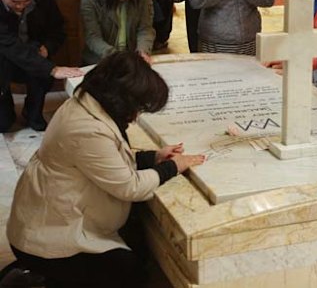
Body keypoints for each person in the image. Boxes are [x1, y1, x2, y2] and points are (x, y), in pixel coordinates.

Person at [6, 51, 206, 288]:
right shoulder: (86, 128)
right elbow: (130, 187)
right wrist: (173, 166)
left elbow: (107, 159)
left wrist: (154, 157)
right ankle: (42, 278)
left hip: (56, 215)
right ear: (120, 98)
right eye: (137, 106)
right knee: (127, 271)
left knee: (134, 245)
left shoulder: (87, 104)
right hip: (48, 237)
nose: (135, 116)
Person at [0, 0, 83, 132]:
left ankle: (32, 111)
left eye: (25, 1)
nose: (20, 6)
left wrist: (47, 48)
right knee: (3, 124)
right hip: (3, 56)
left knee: (41, 69)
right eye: (15, 1)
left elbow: (58, 29)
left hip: (33, 51)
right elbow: (9, 45)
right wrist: (52, 69)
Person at [80, 0, 155, 65]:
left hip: (132, 58)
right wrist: (117, 56)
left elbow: (145, 29)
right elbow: (93, 37)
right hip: (100, 59)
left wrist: (142, 51)